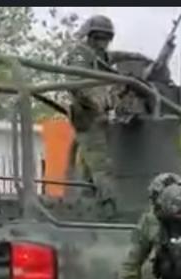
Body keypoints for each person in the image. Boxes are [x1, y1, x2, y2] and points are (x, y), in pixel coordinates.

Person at [66, 15, 117, 201]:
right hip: (88, 119)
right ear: (90, 37)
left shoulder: (100, 57)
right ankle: (111, 207)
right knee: (102, 168)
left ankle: (87, 203)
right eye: (98, 38)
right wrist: (98, 101)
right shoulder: (80, 54)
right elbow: (77, 85)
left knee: (90, 169)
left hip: (99, 119)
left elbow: (119, 57)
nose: (102, 43)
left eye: (106, 38)